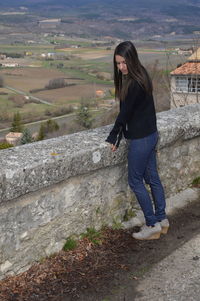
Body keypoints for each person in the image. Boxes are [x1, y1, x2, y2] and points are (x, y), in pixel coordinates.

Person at [106, 41, 169, 240]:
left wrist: (113, 136)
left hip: (141, 138)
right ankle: (162, 220)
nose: (121, 67)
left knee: (135, 180)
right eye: (118, 64)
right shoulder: (141, 74)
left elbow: (124, 113)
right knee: (153, 178)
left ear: (132, 59)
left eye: (124, 62)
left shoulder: (133, 83)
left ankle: (151, 225)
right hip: (151, 135)